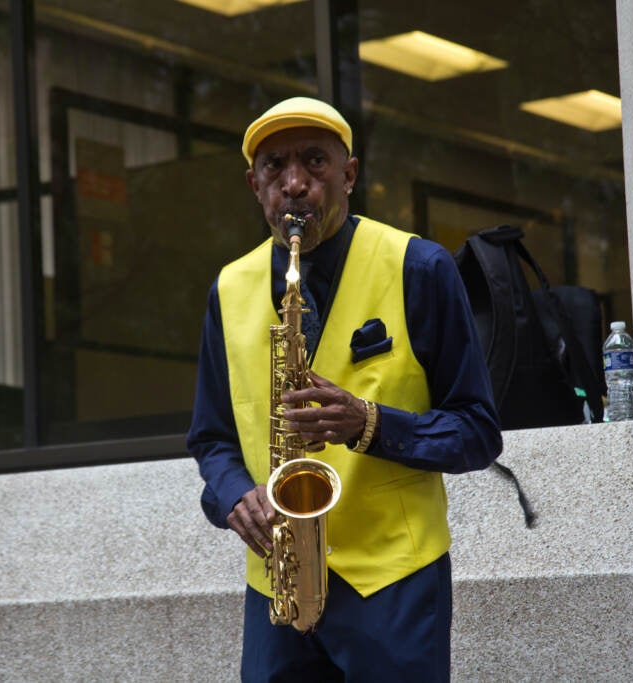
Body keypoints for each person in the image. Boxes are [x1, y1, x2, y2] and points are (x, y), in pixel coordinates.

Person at [187, 96, 502, 681]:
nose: (295, 183)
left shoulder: (421, 268)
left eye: (315, 162)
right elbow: (211, 439)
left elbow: (479, 433)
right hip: (277, 586)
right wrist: (234, 494)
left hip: (395, 585)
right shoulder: (228, 290)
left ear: (349, 174)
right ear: (254, 184)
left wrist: (368, 422)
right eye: (274, 167)